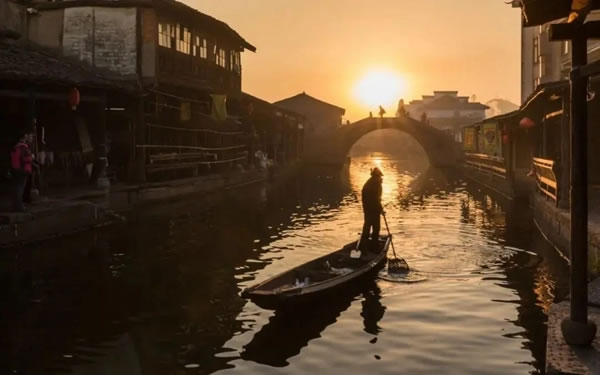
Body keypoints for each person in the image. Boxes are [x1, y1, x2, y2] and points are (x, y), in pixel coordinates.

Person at [360, 167, 384, 251]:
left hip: (368, 209)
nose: (380, 178)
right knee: (375, 228)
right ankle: (373, 246)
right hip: (373, 210)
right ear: (376, 176)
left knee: (367, 227)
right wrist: (381, 209)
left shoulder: (370, 183)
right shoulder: (374, 185)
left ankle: (363, 246)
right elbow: (376, 199)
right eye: (379, 177)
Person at [10, 132, 33, 212]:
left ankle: (16, 206)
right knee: (20, 189)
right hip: (23, 170)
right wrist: (31, 157)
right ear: (23, 138)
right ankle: (19, 207)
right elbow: (26, 159)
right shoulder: (23, 147)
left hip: (15, 169)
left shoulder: (15, 147)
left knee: (16, 188)